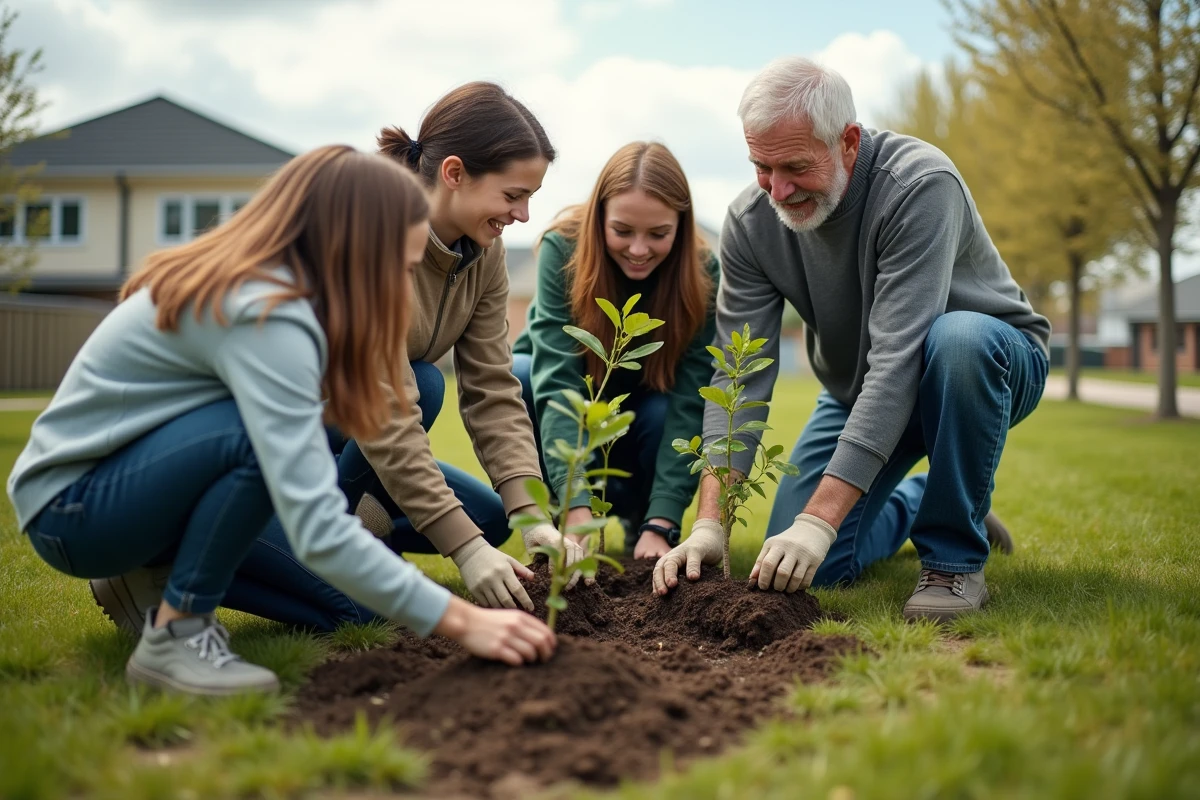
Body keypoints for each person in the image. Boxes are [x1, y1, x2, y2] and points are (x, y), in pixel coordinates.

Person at [6, 146, 556, 696]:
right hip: (75, 512)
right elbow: (316, 525)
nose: (403, 289)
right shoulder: (265, 313)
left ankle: (169, 575)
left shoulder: (289, 296)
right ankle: (177, 633)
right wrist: (464, 621)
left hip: (137, 490)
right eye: (403, 268)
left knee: (366, 590)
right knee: (260, 454)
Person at [652, 57, 1050, 622]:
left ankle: (954, 562)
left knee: (956, 339)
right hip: (857, 390)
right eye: (761, 166)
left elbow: (900, 358)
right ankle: (923, 501)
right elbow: (739, 376)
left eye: (794, 166)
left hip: (983, 367)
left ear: (848, 141)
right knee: (817, 566)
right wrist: (711, 523)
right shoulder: (749, 222)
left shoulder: (918, 185)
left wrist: (819, 520)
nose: (778, 189)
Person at [512, 141, 718, 559]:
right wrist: (575, 504)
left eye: (658, 234)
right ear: (599, 217)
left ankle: (642, 522)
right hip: (571, 417)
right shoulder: (562, 249)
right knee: (520, 373)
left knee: (664, 410)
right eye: (622, 231)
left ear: (680, 226)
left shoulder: (701, 271)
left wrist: (662, 521)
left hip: (643, 425)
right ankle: (557, 522)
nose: (639, 250)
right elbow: (557, 381)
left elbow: (690, 398)